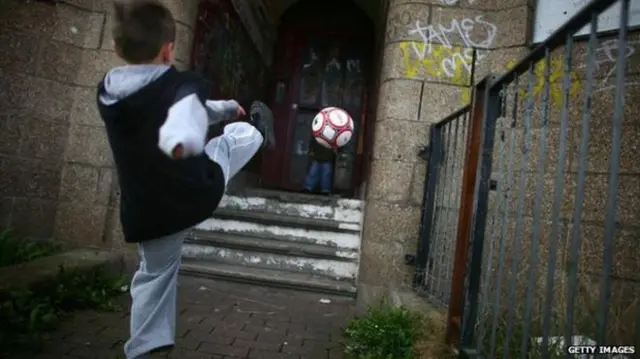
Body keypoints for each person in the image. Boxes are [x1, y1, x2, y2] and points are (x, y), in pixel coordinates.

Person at [96, 1, 275, 358]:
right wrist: (182, 141)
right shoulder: (182, 85)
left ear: (118, 50)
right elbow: (184, 118)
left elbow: (185, 108)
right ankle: (258, 132)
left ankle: (146, 348)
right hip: (192, 192)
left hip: (146, 213)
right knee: (225, 145)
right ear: (169, 49)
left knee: (154, 274)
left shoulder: (108, 95)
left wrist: (223, 108)